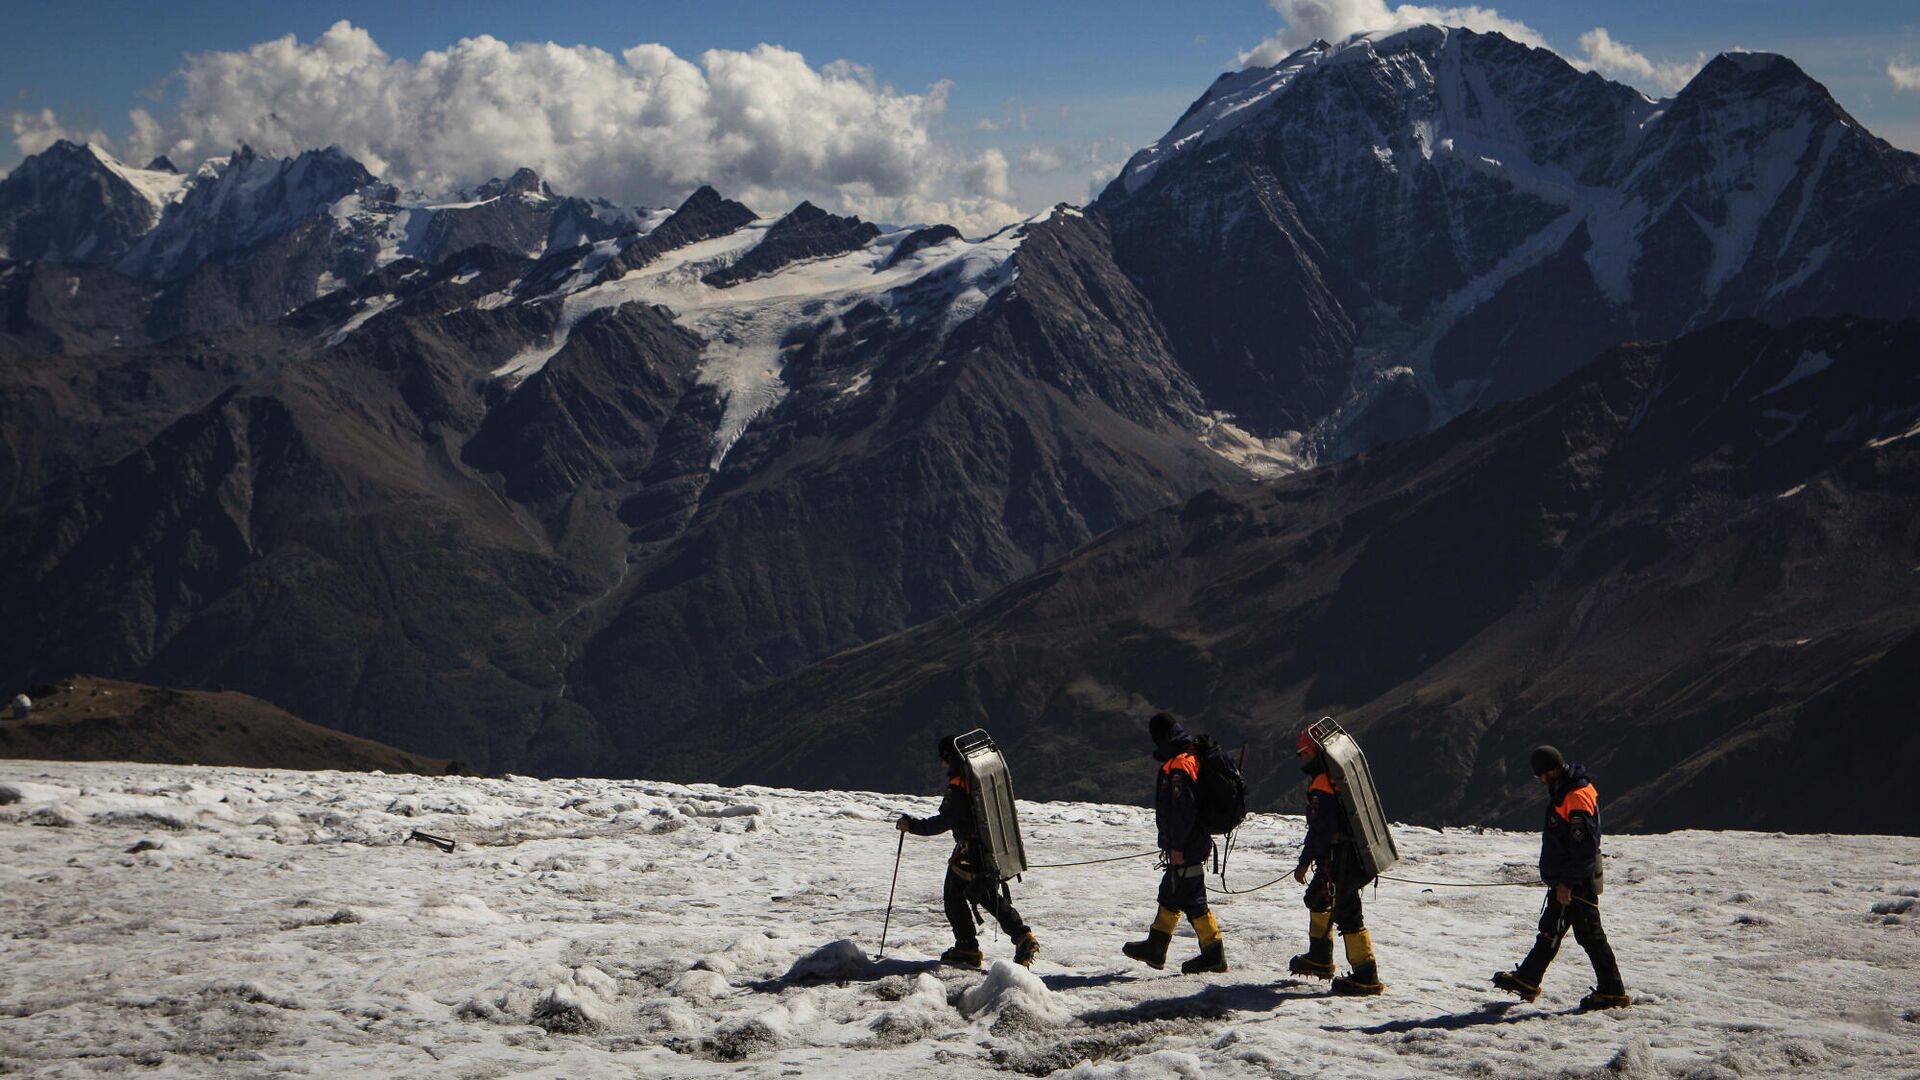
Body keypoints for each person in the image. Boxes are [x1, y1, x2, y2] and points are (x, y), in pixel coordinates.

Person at [1492, 745, 1631, 1009]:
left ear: (1553, 769)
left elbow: (1584, 847)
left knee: (1590, 935)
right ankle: (1528, 978)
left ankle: (1613, 991)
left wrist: (1567, 882)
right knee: (1550, 930)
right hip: (1567, 879)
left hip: (1576, 881)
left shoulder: (1575, 797)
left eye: (1541, 775)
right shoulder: (1567, 790)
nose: (1540, 781)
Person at [897, 734, 1039, 968]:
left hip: (969, 853)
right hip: (986, 849)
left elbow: (946, 820)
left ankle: (967, 948)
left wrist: (912, 826)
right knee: (983, 894)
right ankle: (1022, 936)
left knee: (955, 895)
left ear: (948, 758)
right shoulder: (978, 777)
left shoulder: (959, 785)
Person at [1122, 712, 1226, 974]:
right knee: (1172, 891)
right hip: (1192, 842)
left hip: (1187, 844)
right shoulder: (1187, 758)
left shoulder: (1180, 765)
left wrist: (1176, 845)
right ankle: (1156, 948)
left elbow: (1183, 810)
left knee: (1193, 900)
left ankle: (1213, 953)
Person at [1288, 727, 1384, 995]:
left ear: (1312, 752)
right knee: (1318, 899)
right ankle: (1320, 958)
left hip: (1341, 858)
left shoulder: (1322, 783)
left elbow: (1321, 829)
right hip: (1346, 855)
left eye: (1301, 753)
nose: (1301, 759)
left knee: (1348, 914)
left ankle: (1366, 975)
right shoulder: (1334, 777)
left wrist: (1304, 862)